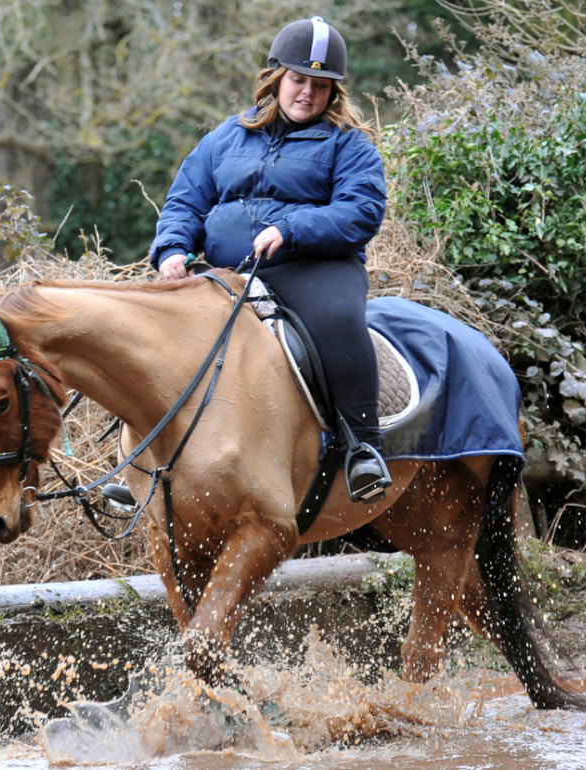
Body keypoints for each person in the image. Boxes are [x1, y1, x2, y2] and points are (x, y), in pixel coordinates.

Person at [149, 16, 390, 503]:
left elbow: (361, 210)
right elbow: (185, 202)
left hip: (315, 268)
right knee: (153, 333)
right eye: (299, 80)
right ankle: (143, 460)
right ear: (277, 78)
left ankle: (364, 448)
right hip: (225, 270)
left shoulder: (348, 144)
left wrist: (292, 229)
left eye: (320, 85)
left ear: (333, 91)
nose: (307, 93)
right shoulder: (226, 137)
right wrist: (173, 250)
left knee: (341, 321)